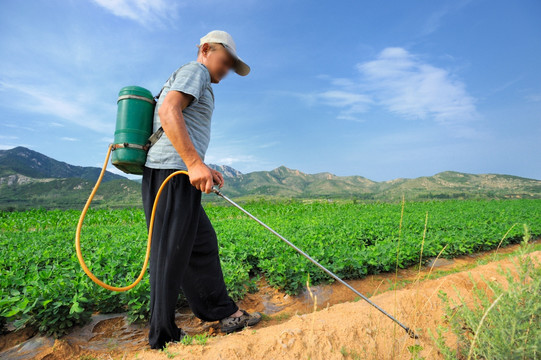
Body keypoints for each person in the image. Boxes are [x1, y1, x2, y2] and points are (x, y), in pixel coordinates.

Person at [141, 30, 261, 350]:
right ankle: (162, 338)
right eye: (226, 62)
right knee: (171, 254)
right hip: (171, 174)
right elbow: (169, 111)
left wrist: (202, 165)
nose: (227, 70)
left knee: (201, 244)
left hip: (176, 172)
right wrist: (194, 164)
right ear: (206, 49)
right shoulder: (196, 72)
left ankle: (222, 313)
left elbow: (181, 122)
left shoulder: (201, 79)